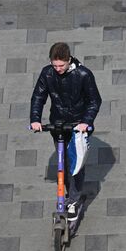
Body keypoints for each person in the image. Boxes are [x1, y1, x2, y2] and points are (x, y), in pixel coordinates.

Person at [30, 42, 102, 221]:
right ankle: (70, 194)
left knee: (75, 163)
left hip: (78, 126)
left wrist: (86, 122)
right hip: (58, 124)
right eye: (55, 65)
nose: (58, 69)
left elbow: (95, 101)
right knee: (63, 161)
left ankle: (75, 200)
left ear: (69, 60)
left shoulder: (84, 74)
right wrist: (35, 119)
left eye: (61, 65)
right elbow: (38, 96)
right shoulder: (47, 73)